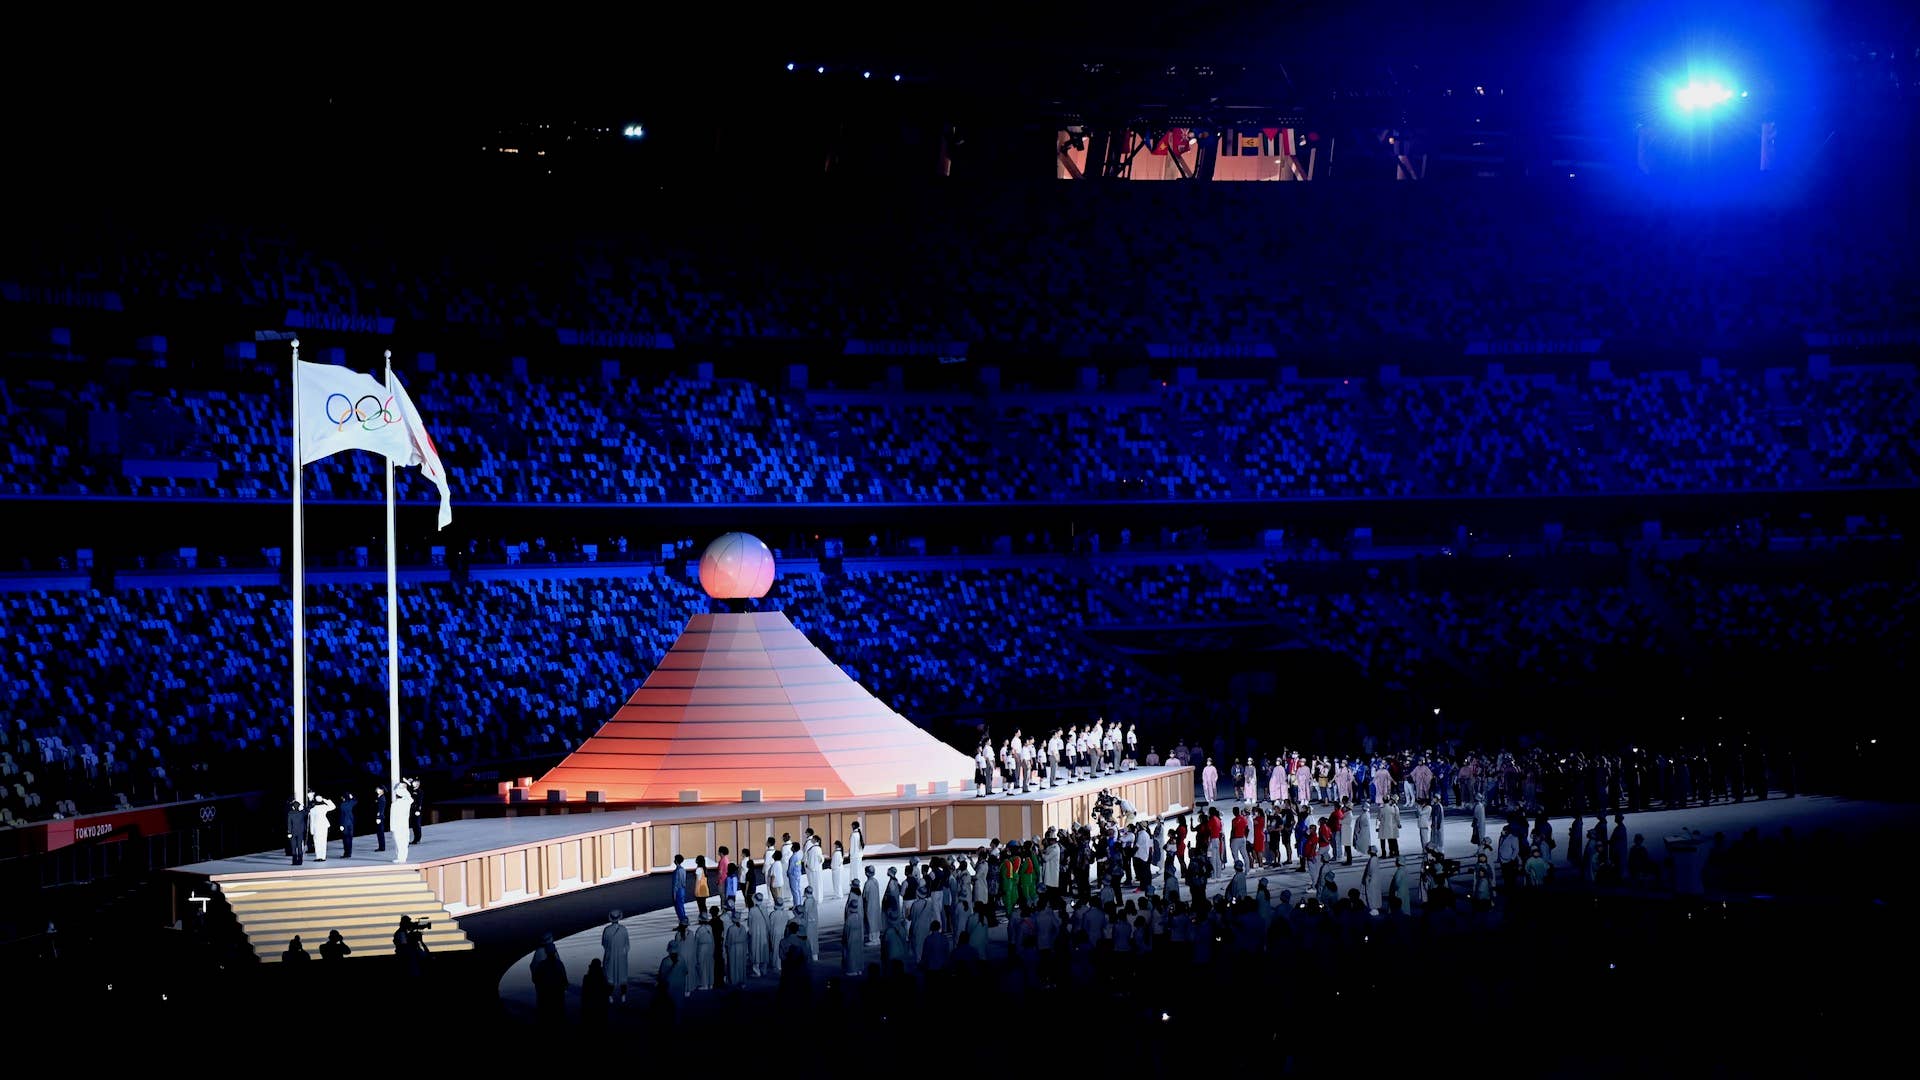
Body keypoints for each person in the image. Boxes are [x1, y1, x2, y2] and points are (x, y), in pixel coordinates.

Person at [531, 935, 567, 1024]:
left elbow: (535, 975)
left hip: (545, 992)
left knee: (545, 1013)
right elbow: (564, 978)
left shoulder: (542, 964)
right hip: (556, 992)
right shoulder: (558, 963)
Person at [601, 910, 630, 1004]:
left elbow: (604, 944)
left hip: (610, 956)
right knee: (623, 976)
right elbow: (627, 945)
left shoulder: (607, 930)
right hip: (621, 957)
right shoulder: (623, 929)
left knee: (610, 977)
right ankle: (623, 996)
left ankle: (609, 996)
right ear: (619, 918)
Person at [842, 889, 867, 976]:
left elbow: (845, 932)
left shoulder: (849, 919)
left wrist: (844, 940)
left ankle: (852, 970)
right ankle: (859, 968)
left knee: (851, 955)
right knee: (858, 954)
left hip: (851, 940)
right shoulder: (859, 917)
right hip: (858, 940)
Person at [580, 958, 609, 1028]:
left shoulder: (586, 978)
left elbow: (584, 994)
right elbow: (606, 993)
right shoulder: (603, 978)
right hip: (600, 1006)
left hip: (590, 1005)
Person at [725, 906, 750, 987]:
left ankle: (733, 980)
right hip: (742, 949)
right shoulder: (742, 928)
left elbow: (728, 941)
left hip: (733, 949)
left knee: (733, 964)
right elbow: (746, 940)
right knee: (741, 965)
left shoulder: (731, 929)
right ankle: (741, 979)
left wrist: (727, 949)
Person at [690, 911, 715, 990]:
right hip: (710, 947)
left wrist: (694, 952)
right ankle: (711, 983)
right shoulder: (710, 928)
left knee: (702, 965)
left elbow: (696, 942)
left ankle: (704, 984)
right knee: (710, 965)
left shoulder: (699, 930)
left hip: (702, 948)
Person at [388, 781, 412, 863]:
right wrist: (403, 788)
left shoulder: (395, 804)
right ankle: (402, 858)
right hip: (404, 825)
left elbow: (392, 817)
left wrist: (392, 828)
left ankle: (400, 857)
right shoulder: (407, 802)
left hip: (397, 826)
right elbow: (409, 797)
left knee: (399, 842)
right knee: (404, 842)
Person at [306, 793, 333, 861]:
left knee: (317, 842)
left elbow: (311, 821)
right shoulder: (324, 807)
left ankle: (318, 857)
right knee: (323, 842)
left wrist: (311, 830)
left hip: (316, 827)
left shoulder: (312, 810)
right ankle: (323, 857)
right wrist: (325, 800)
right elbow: (333, 806)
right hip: (324, 826)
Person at [285, 798, 305, 865]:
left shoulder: (290, 813)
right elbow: (307, 809)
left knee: (293, 847)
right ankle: (300, 861)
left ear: (293, 807)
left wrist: (289, 832)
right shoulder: (302, 813)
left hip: (293, 832)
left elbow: (289, 824)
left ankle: (294, 861)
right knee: (299, 846)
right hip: (300, 832)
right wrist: (304, 806)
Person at [671, 854, 690, 925]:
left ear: (676, 861)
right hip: (683, 890)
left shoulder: (676, 871)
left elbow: (675, 884)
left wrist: (674, 894)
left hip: (678, 891)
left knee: (678, 907)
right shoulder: (683, 870)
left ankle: (683, 921)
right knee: (681, 906)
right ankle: (684, 919)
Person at [338, 792, 356, 858]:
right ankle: (349, 853)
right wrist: (352, 797)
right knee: (350, 839)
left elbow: (342, 816)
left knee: (345, 839)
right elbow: (355, 801)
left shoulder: (342, 805)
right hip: (351, 823)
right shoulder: (350, 803)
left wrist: (341, 825)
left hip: (344, 824)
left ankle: (346, 853)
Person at [372, 784, 388, 852]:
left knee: (380, 832)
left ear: (382, 790)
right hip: (378, 816)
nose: (377, 790)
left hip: (380, 817)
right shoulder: (378, 797)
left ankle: (382, 847)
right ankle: (381, 846)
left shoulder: (382, 798)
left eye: (379, 789)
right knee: (379, 832)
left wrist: (378, 817)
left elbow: (381, 809)